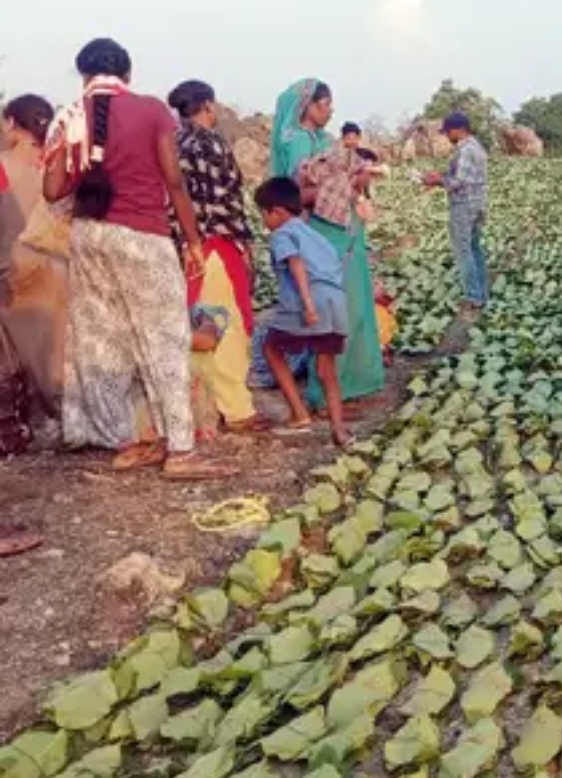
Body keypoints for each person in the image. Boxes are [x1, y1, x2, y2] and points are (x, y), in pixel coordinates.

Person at [41, 38, 229, 481]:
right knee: (163, 339)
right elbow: (174, 181)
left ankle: (132, 441)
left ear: (83, 75)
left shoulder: (70, 116)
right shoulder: (150, 111)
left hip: (90, 238)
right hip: (142, 236)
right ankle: (180, 451)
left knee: (107, 342)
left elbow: (52, 191)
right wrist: (194, 241)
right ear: (127, 73)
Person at [270, 78, 384, 408]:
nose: (330, 110)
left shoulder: (325, 139)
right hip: (321, 233)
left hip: (343, 230)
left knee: (353, 303)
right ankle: (329, 388)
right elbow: (296, 193)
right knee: (333, 309)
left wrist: (355, 180)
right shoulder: (296, 141)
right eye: (325, 104)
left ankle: (353, 381)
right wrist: (337, 188)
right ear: (307, 106)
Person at [166, 81, 259, 433]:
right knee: (226, 324)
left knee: (194, 321)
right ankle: (236, 409)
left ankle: (204, 407)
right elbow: (228, 201)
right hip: (215, 243)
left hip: (184, 246)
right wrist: (244, 244)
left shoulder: (172, 142)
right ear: (207, 105)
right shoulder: (211, 142)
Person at [253, 177, 350, 444]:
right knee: (326, 369)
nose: (263, 221)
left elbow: (296, 266)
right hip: (336, 302)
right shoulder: (315, 235)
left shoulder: (283, 234)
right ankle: (339, 430)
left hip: (308, 301)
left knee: (271, 349)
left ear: (278, 212)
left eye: (263, 214)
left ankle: (299, 414)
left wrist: (308, 306)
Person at [0, 94, 67, 422]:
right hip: (60, 264)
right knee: (56, 349)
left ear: (12, 123)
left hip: (12, 266)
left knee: (17, 351)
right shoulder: (58, 166)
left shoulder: (2, 165)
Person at [424, 112, 489, 312]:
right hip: (478, 204)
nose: (447, 136)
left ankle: (474, 297)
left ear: (458, 130)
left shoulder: (465, 150)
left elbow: (459, 182)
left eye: (448, 132)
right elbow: (464, 176)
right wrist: (442, 176)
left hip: (464, 206)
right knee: (474, 248)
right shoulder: (476, 147)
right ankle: (482, 292)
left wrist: (437, 181)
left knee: (463, 251)